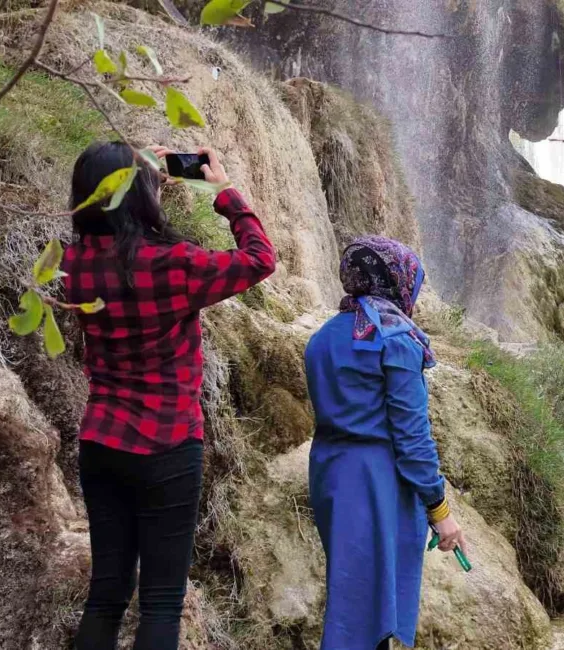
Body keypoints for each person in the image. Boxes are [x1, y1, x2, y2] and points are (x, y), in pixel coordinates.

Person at [64, 141, 276, 650]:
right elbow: (259, 258)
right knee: (161, 602)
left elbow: (114, 226)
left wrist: (140, 176)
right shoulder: (174, 264)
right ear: (141, 195)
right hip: (168, 445)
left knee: (106, 596)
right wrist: (223, 191)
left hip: (101, 442)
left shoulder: (74, 264)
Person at [304, 236, 466, 650]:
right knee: (369, 616)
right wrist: (440, 510)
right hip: (376, 484)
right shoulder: (395, 339)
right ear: (396, 281)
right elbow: (412, 438)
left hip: (329, 475)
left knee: (352, 599)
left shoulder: (323, 337)